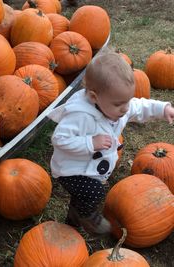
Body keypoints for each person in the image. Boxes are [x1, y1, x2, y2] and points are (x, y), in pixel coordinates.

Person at [48, 48, 174, 235]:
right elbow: (59, 139)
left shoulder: (118, 105)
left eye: (127, 101)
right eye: (118, 104)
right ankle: (87, 216)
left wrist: (162, 109)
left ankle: (73, 220)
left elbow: (140, 106)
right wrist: (90, 142)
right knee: (94, 192)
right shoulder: (80, 115)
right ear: (93, 97)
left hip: (89, 167)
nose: (125, 109)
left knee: (82, 196)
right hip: (71, 169)